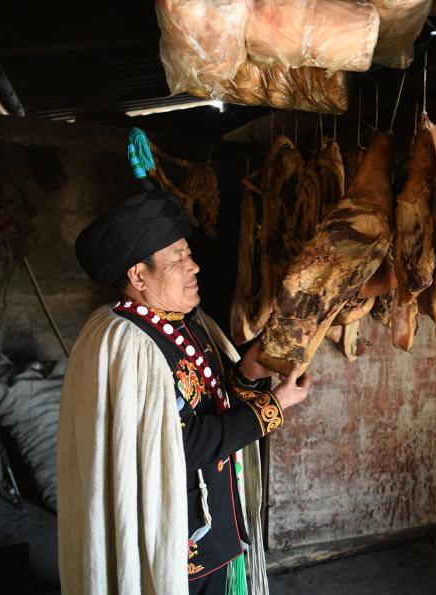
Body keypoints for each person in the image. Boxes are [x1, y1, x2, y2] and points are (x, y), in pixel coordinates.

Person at [57, 184, 310, 595]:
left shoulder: (186, 322)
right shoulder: (127, 343)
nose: (194, 266)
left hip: (218, 535)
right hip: (174, 547)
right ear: (139, 275)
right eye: (178, 258)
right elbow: (175, 447)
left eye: (188, 253)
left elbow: (207, 404)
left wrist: (246, 373)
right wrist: (272, 407)